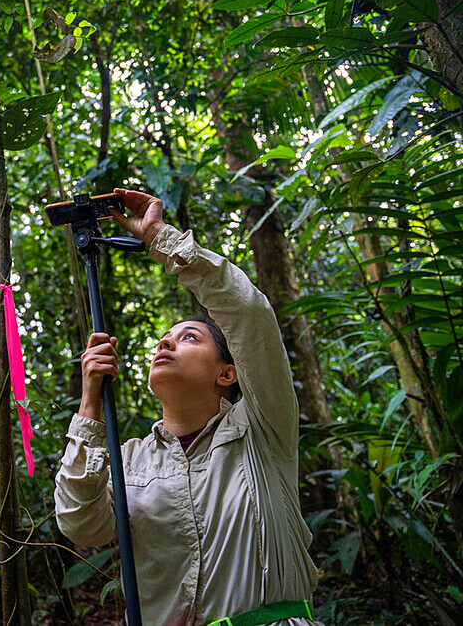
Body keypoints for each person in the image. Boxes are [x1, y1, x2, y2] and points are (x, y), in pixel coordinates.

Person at [54, 189, 322, 626]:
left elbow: (249, 313)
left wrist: (161, 238)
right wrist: (89, 405)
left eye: (190, 337)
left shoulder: (260, 428)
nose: (165, 343)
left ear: (227, 374)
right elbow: (81, 525)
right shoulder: (130, 463)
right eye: (166, 338)